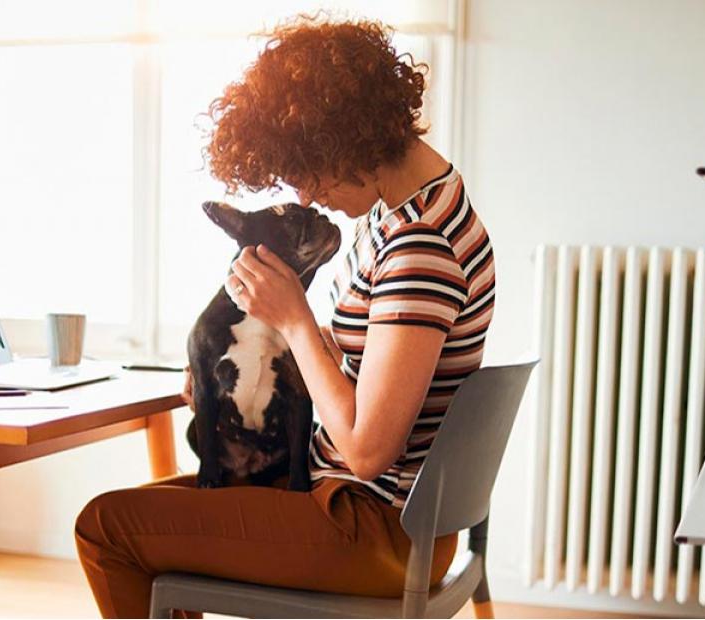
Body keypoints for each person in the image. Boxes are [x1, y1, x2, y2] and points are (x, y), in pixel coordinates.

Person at [75, 15, 495, 618]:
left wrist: (297, 323)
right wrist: (266, 354)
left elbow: (368, 451)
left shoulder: (418, 246)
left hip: (369, 524)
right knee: (140, 515)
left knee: (105, 528)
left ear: (339, 138)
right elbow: (384, 362)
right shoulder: (423, 208)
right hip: (379, 512)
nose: (302, 195)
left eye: (302, 169)